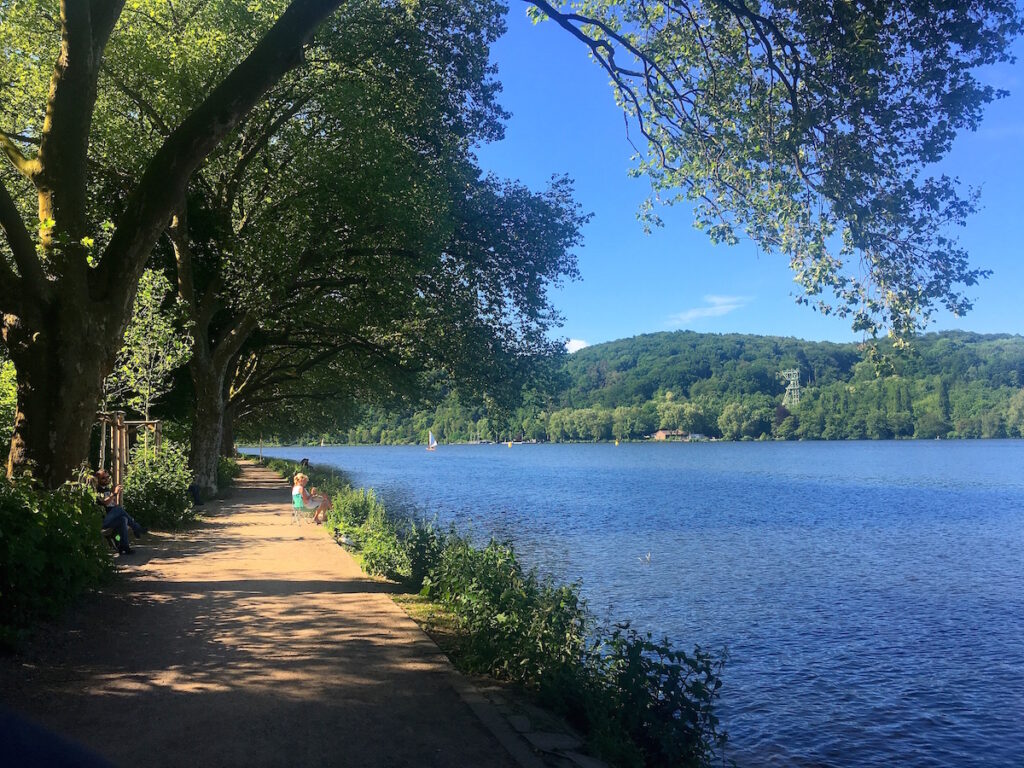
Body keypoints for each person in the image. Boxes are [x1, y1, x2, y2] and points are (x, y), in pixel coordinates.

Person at [93, 470, 145, 554]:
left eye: (107, 477)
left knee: (123, 519)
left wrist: (117, 494)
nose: (106, 479)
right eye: (103, 478)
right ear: (98, 479)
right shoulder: (97, 490)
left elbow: (113, 504)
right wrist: (114, 493)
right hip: (102, 520)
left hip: (110, 517)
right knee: (119, 510)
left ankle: (124, 547)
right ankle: (136, 528)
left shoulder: (107, 489)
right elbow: (105, 502)